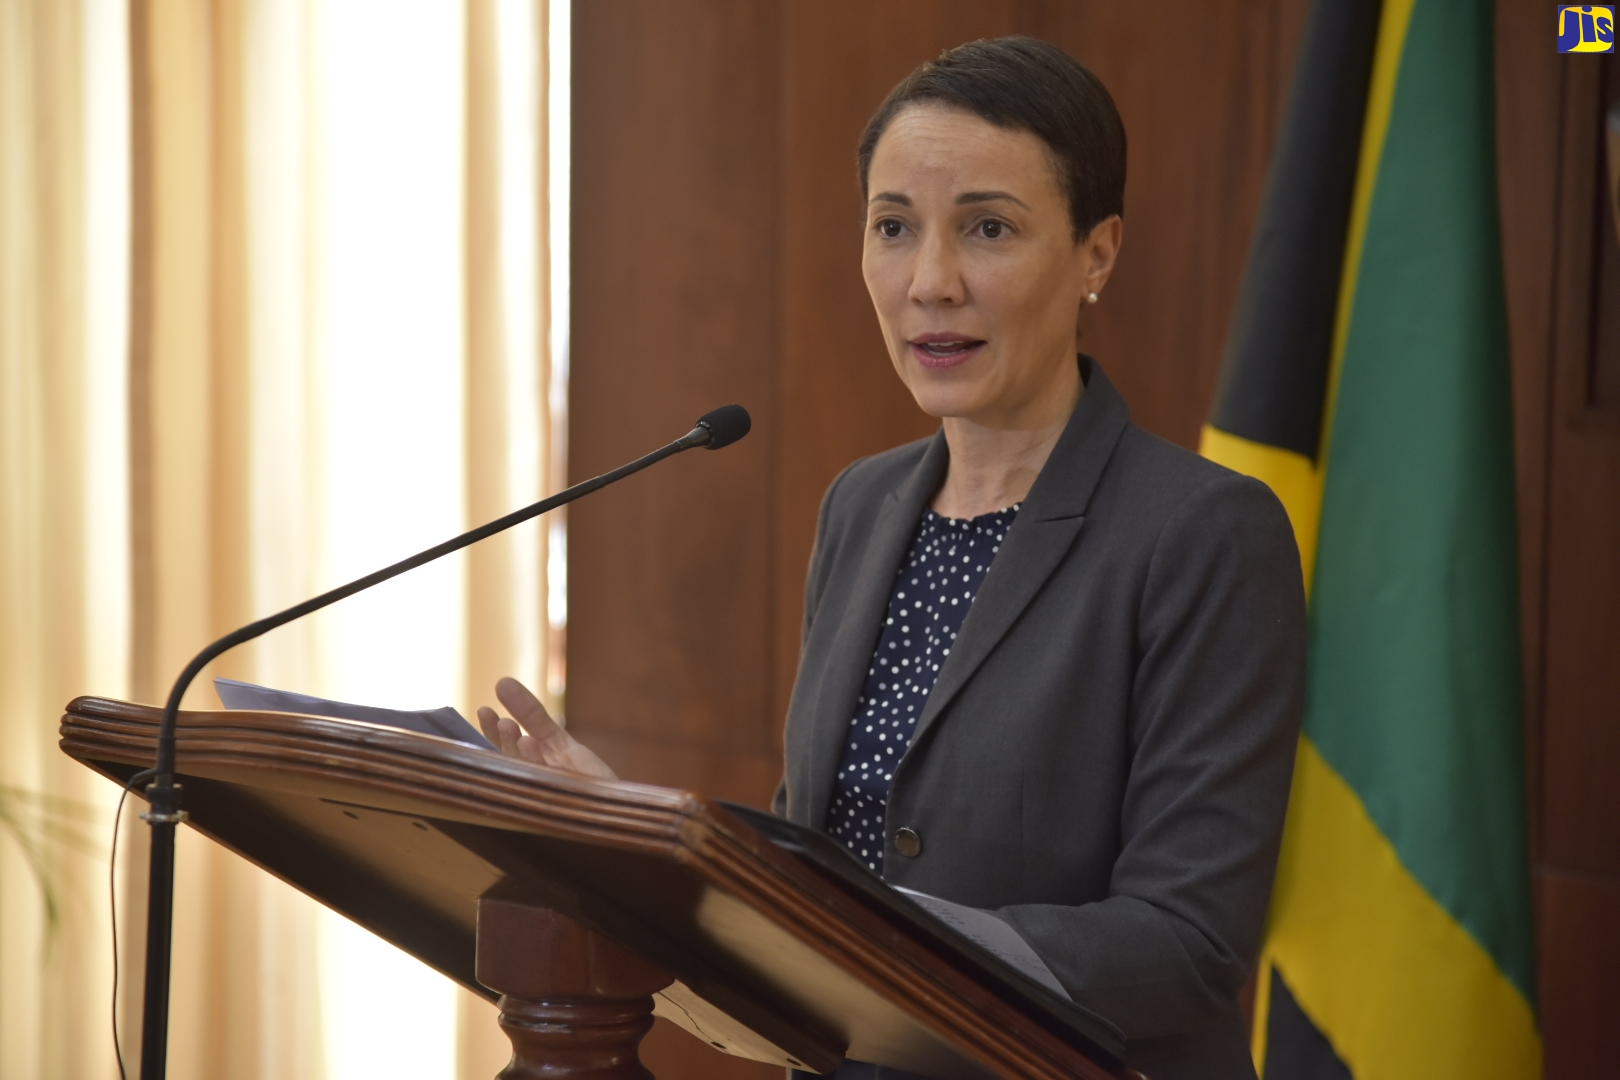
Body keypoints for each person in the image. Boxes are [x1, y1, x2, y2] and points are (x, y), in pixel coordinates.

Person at [480, 35, 1305, 1080]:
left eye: (989, 229)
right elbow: (811, 849)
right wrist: (637, 839)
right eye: (894, 228)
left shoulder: (1202, 532)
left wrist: (883, 943)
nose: (931, 282)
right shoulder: (862, 508)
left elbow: (1188, 944)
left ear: (1098, 253)